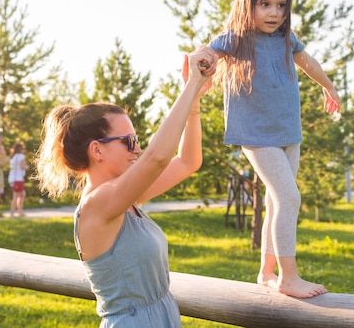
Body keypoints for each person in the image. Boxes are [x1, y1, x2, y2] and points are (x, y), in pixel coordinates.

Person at [34, 49, 217, 327]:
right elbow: (157, 158)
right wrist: (190, 85)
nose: (138, 149)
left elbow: (188, 162)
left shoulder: (124, 198)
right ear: (97, 150)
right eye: (129, 141)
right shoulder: (99, 204)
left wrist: (194, 101)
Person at [201, 0, 341, 298]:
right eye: (265, 5)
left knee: (277, 201)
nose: (274, 13)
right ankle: (288, 277)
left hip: (287, 131)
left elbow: (307, 61)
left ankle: (266, 271)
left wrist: (328, 86)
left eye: (281, 5)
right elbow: (210, 51)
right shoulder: (237, 37)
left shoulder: (285, 38)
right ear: (247, 3)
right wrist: (201, 62)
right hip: (256, 134)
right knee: (289, 197)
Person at [8, 142, 28, 217]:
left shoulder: (13, 157)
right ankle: (12, 213)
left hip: (13, 179)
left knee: (22, 194)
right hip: (18, 179)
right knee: (16, 196)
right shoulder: (20, 156)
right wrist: (27, 167)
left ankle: (20, 212)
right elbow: (23, 166)